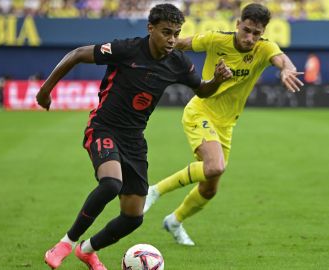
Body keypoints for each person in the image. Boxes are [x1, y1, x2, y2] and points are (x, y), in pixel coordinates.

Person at [37, 4, 232, 270]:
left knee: (133, 217)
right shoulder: (126, 49)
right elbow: (78, 54)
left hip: (134, 140)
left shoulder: (178, 62)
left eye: (176, 33)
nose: (172, 39)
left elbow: (203, 91)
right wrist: (45, 91)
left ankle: (87, 251)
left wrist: (218, 80)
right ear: (150, 28)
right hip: (103, 127)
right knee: (110, 183)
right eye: (166, 32)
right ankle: (65, 244)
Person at [143, 3, 304, 246]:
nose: (250, 38)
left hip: (227, 125)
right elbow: (180, 43)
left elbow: (283, 60)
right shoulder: (216, 40)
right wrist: (149, 49)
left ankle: (174, 221)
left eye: (256, 33)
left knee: (209, 189)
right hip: (201, 111)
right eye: (246, 30)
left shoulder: (264, 48)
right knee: (215, 166)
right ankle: (154, 190)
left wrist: (286, 71)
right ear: (238, 25)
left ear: (262, 33)